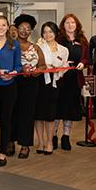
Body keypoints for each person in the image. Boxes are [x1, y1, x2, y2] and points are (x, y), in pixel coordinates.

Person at [0, 15, 22, 167]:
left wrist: (12, 74)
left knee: (5, 120)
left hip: (9, 86)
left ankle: (2, 153)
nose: (0, 28)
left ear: (8, 27)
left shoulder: (14, 44)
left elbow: (18, 66)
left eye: (3, 25)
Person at [10, 14, 46, 159]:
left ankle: (25, 145)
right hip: (13, 82)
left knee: (27, 113)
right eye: (21, 28)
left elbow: (43, 65)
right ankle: (9, 141)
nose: (24, 31)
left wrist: (38, 71)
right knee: (11, 112)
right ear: (16, 29)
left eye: (28, 28)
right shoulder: (10, 45)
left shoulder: (35, 47)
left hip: (31, 84)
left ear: (31, 31)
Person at [53, 13, 89, 150]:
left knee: (70, 110)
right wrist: (62, 63)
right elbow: (53, 56)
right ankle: (54, 135)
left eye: (73, 23)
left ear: (77, 25)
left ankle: (66, 136)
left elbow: (86, 58)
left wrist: (82, 63)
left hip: (75, 79)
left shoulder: (82, 40)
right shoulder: (58, 39)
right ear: (63, 25)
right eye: (67, 23)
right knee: (58, 110)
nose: (70, 25)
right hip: (61, 79)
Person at [34, 22, 69, 155]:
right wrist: (45, 67)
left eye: (50, 31)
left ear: (56, 33)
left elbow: (65, 66)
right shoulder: (38, 47)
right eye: (45, 32)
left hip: (54, 84)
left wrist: (58, 72)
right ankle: (41, 142)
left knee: (50, 115)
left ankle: (49, 142)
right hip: (40, 83)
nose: (47, 34)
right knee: (38, 114)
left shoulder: (63, 49)